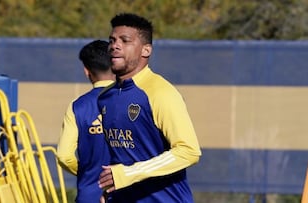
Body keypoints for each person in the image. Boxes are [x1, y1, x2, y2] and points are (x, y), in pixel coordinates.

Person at [98, 13, 202, 203]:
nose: (115, 45)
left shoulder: (161, 92)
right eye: (112, 40)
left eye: (125, 40)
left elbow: (189, 151)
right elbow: (122, 155)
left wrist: (130, 173)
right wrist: (110, 190)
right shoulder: (106, 97)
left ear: (146, 50)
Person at [56, 39, 115, 203]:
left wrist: (88, 172)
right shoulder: (134, 101)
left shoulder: (77, 107)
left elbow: (64, 156)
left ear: (86, 71)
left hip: (89, 195)